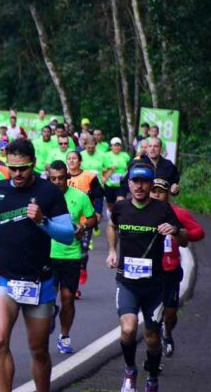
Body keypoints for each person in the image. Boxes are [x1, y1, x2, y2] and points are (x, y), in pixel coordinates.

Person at [0, 138, 74, 392]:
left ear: (34, 164)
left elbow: (67, 234)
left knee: (38, 349)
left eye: (23, 168)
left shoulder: (48, 192)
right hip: (4, 279)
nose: (17, 174)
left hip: (39, 282)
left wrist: (43, 221)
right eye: (12, 168)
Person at [106, 165, 186, 392]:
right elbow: (112, 225)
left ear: (151, 185)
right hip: (127, 282)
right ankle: (130, 370)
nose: (139, 186)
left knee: (151, 337)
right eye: (135, 181)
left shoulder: (163, 209)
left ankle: (152, 378)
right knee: (129, 329)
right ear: (129, 183)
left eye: (144, 182)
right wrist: (112, 251)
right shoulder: (121, 208)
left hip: (154, 286)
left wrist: (174, 231)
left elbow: (185, 239)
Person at [147, 178, 204, 358]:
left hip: (170, 269)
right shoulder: (142, 212)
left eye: (161, 191)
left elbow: (199, 232)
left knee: (170, 313)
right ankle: (153, 350)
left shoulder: (177, 213)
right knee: (151, 314)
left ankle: (167, 332)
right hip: (148, 270)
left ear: (168, 194)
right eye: (153, 191)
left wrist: (180, 233)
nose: (156, 194)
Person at [47, 160, 96, 354]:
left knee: (67, 298)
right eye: (53, 179)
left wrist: (82, 227)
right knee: (48, 299)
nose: (58, 182)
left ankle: (64, 336)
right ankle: (49, 314)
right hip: (47, 255)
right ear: (49, 179)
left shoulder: (80, 197)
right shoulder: (43, 197)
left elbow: (92, 218)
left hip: (71, 255)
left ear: (68, 176)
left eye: (61, 178)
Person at [65, 150, 105, 298]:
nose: (71, 161)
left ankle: (82, 267)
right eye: (69, 159)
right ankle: (72, 287)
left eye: (74, 158)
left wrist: (89, 195)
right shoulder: (62, 177)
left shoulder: (89, 176)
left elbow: (100, 192)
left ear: (80, 161)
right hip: (65, 221)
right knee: (67, 255)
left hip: (84, 221)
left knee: (82, 253)